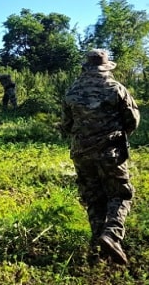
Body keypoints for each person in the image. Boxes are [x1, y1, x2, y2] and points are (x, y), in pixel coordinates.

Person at [60, 49, 140, 265]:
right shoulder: (116, 89)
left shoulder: (72, 91)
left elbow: (66, 125)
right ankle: (112, 235)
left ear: (86, 67)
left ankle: (97, 251)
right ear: (106, 67)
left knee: (94, 198)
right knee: (121, 194)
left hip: (81, 154)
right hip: (110, 152)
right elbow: (132, 121)